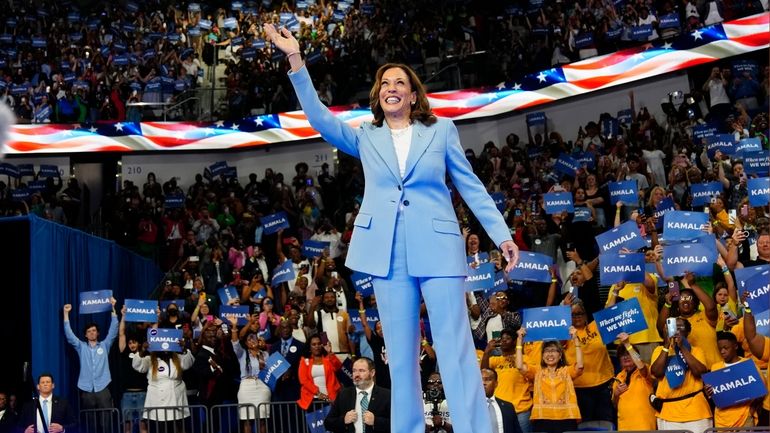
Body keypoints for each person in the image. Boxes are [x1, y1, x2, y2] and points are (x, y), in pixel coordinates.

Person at [265, 24, 520, 433]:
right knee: (401, 359)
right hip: (387, 255)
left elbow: (470, 186)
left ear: (414, 95)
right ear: (378, 96)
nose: (392, 86)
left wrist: (502, 235)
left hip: (438, 249)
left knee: (454, 350)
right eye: (385, 82)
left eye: (400, 81)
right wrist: (296, 58)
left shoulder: (441, 131)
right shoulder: (365, 136)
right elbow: (318, 116)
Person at [515, 327, 583, 433]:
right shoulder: (537, 371)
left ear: (560, 355)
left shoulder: (566, 371)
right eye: (546, 351)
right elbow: (519, 366)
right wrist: (519, 340)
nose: (550, 354)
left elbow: (580, 366)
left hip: (567, 418)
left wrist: (576, 340)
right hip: (542, 419)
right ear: (542, 356)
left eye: (553, 351)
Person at [62, 300, 119, 428]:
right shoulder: (81, 347)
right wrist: (66, 314)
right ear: (86, 335)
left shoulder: (105, 345)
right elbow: (69, 336)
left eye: (94, 330)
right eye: (89, 331)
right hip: (86, 388)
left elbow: (114, 330)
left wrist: (113, 308)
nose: (92, 332)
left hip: (103, 387)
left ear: (98, 333)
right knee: (89, 422)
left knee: (106, 420)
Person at [649, 317, 712, 432]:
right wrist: (667, 346)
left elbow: (700, 372)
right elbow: (656, 372)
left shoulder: (696, 350)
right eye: (673, 327)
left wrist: (682, 347)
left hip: (696, 412)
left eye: (679, 327)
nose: (675, 330)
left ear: (687, 331)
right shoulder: (659, 350)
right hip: (667, 413)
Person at [132, 338, 195, 432]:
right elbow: (137, 365)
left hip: (176, 400)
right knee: (162, 429)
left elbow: (188, 363)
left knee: (179, 429)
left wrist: (184, 348)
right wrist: (143, 350)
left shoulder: (178, 358)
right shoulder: (150, 360)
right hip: (158, 401)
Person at [705, 331, 762, 427]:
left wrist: (752, 410)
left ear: (735, 346)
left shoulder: (748, 364)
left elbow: (761, 391)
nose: (722, 351)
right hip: (721, 420)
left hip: (744, 418)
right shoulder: (715, 367)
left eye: (726, 348)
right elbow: (713, 395)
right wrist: (709, 393)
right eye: (720, 349)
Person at [228, 316, 271, 433]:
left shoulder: (265, 355)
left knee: (262, 420)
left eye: (254, 338)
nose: (252, 341)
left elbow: (271, 370)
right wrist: (234, 327)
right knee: (247, 420)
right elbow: (235, 342)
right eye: (249, 339)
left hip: (262, 387)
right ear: (246, 343)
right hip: (246, 387)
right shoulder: (242, 354)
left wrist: (264, 351)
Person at [324, 357, 391, 433]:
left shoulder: (386, 395)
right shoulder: (344, 394)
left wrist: (376, 421)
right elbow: (327, 423)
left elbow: (396, 424)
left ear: (372, 373)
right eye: (354, 371)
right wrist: (343, 420)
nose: (357, 375)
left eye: (361, 371)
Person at [612, 333, 656, 431]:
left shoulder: (644, 370)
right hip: (624, 426)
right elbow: (615, 404)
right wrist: (616, 394)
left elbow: (641, 366)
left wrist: (628, 345)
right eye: (622, 355)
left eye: (628, 354)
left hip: (644, 425)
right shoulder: (619, 376)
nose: (626, 357)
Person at [297, 334, 343, 411]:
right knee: (315, 422)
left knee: (331, 422)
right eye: (314, 344)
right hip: (312, 399)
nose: (317, 346)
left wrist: (330, 352)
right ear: (310, 346)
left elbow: (338, 367)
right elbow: (303, 380)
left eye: (319, 344)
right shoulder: (304, 360)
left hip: (330, 398)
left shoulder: (328, 358)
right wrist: (318, 393)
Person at [480, 368, 523, 433]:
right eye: (480, 380)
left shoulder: (508, 407)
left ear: (496, 384)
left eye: (487, 379)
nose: (483, 383)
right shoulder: (470, 407)